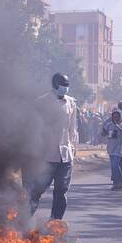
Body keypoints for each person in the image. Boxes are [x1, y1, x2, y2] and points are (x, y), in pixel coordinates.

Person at [24, 73, 78, 221]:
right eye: (63, 85)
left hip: (65, 156)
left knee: (61, 191)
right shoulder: (42, 102)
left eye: (67, 85)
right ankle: (23, 220)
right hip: (46, 155)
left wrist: (74, 148)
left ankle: (55, 222)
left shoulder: (71, 103)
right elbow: (33, 127)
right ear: (55, 85)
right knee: (36, 190)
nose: (65, 88)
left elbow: (73, 129)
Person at [102, 109, 122, 190]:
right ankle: (119, 182)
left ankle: (118, 182)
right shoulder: (109, 124)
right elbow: (103, 133)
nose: (116, 118)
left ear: (120, 117)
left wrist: (118, 127)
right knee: (114, 167)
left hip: (119, 147)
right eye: (114, 117)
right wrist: (103, 131)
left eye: (117, 117)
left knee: (115, 165)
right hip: (111, 147)